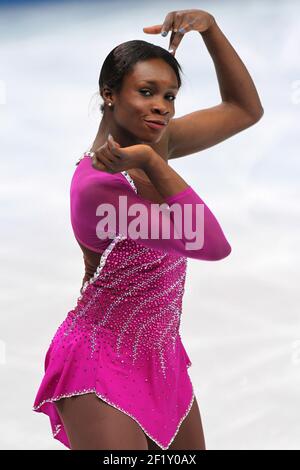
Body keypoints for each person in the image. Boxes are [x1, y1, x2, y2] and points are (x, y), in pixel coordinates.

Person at [32, 9, 263, 450]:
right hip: (98, 362)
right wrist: (154, 162)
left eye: (171, 96)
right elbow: (211, 244)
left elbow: (243, 110)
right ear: (109, 95)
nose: (162, 106)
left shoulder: (155, 143)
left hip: (162, 358)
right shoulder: (99, 187)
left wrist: (210, 29)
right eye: (146, 91)